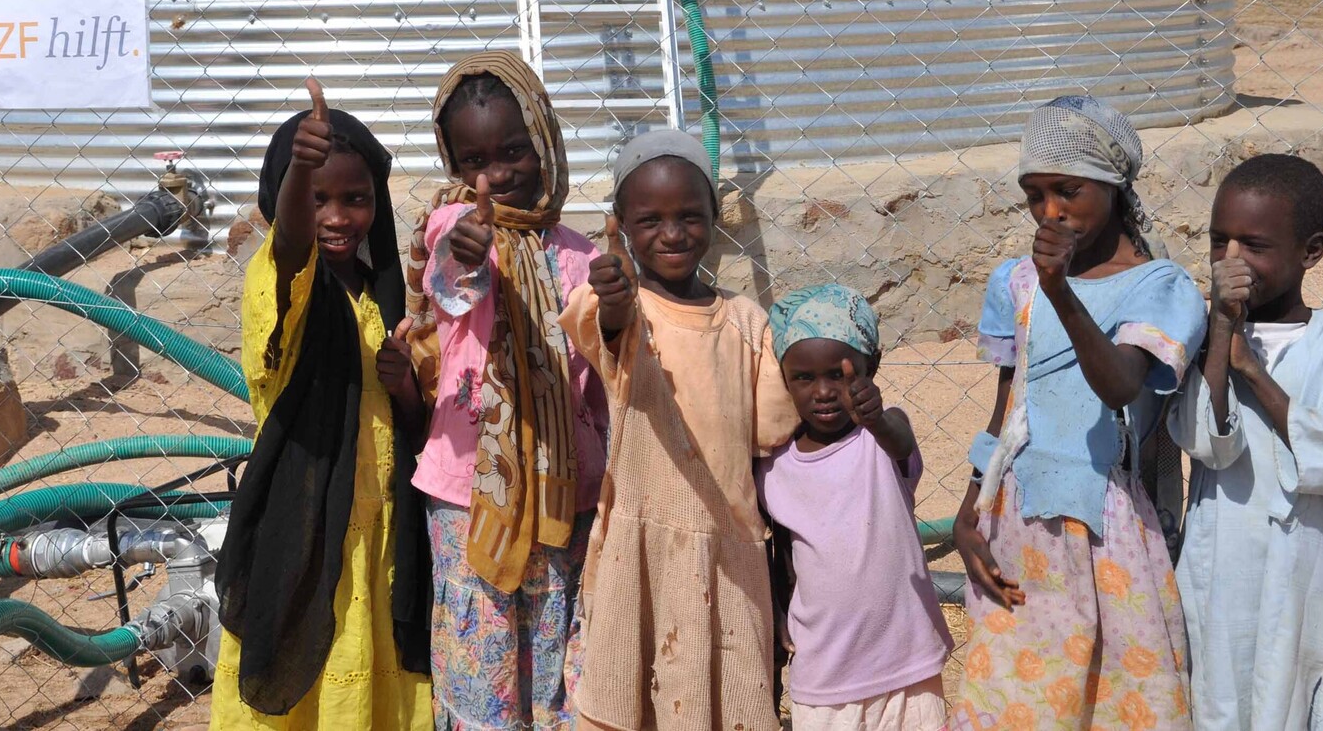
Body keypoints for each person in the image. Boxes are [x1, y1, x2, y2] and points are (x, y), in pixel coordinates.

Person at [953, 94, 1206, 731]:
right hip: (1016, 518)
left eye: (1068, 190)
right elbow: (1007, 410)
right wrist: (967, 516)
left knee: (1115, 696)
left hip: (1106, 528)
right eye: (1034, 195)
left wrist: (1060, 289)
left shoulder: (1159, 286)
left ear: (1115, 186)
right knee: (1017, 693)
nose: (1050, 211)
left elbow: (1120, 385)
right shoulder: (1013, 281)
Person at [559, 129, 799, 731]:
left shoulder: (745, 320)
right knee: (636, 693)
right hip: (644, 535)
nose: (672, 233)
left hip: (729, 537)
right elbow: (603, 329)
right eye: (650, 220)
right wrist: (614, 297)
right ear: (621, 224)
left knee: (726, 694)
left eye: (690, 215)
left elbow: (770, 430)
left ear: (715, 216)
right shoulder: (626, 308)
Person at [212, 79, 432, 730]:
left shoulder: (380, 297)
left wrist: (403, 385)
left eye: (356, 198)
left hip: (382, 539)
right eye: (317, 199)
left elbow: (413, 427)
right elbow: (290, 252)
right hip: (305, 531)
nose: (339, 216)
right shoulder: (283, 287)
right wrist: (299, 170)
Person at [402, 50, 607, 730]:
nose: (496, 174)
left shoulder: (583, 255)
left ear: (545, 140)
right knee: (478, 653)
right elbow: (453, 289)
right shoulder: (459, 232)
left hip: (563, 486)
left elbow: (601, 373)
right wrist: (466, 249)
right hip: (468, 492)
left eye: (515, 150)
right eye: (473, 161)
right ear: (455, 167)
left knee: (553, 648)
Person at [1169, 154, 1323, 729]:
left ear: (1309, 251)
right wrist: (1220, 335)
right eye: (1220, 241)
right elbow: (1204, 443)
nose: (1232, 260)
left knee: (1319, 695)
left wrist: (1252, 371)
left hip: (1311, 566)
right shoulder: (1200, 332)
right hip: (1223, 566)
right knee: (1223, 691)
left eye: (1254, 245)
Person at [757, 284, 955, 731]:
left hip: (908, 664)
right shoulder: (772, 467)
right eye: (804, 378)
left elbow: (899, 438)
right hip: (825, 676)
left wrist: (877, 418)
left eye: (840, 375)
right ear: (783, 380)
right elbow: (784, 553)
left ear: (873, 367)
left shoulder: (881, 441)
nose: (824, 392)